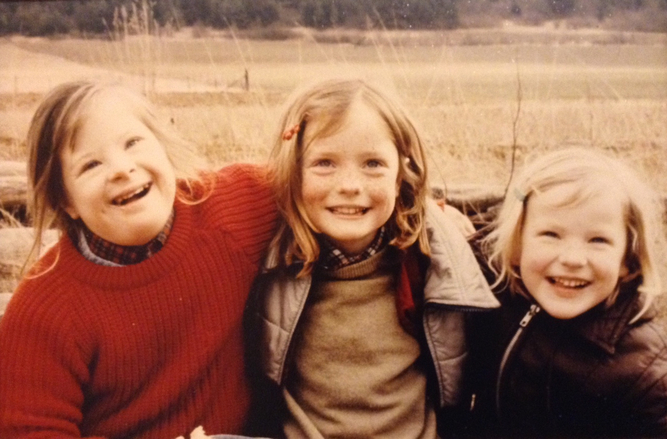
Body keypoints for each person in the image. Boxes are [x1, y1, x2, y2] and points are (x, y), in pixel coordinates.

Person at [0, 81, 278, 438]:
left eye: (132, 143)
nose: (121, 169)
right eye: (91, 165)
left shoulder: (230, 212)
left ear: (164, 147)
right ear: (66, 202)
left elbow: (313, 178)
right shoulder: (46, 310)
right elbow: (29, 429)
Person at [243, 78, 500, 438]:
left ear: (400, 177)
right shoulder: (270, 259)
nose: (350, 185)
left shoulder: (432, 262)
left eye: (373, 164)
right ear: (293, 171)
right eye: (324, 163)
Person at [465, 147, 667, 437]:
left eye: (598, 240)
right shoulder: (496, 293)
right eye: (551, 235)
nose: (573, 259)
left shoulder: (644, 372)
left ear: (628, 262)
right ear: (516, 247)